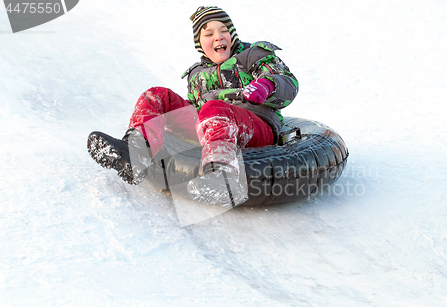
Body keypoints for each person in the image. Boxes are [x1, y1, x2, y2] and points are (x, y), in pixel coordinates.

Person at [87, 6, 299, 207]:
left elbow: (287, 81)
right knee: (157, 95)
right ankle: (136, 153)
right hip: (212, 123)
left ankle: (223, 176)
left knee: (214, 109)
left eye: (224, 30)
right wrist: (174, 116)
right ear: (200, 44)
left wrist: (267, 85)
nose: (218, 37)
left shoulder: (252, 55)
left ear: (232, 35)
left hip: (255, 125)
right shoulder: (197, 73)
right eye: (209, 34)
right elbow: (198, 107)